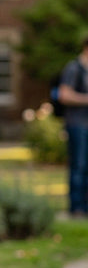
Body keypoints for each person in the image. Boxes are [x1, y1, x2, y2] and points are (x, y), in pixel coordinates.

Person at [58, 37, 88, 216]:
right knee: (78, 165)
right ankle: (76, 207)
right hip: (77, 124)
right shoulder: (74, 68)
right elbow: (64, 94)